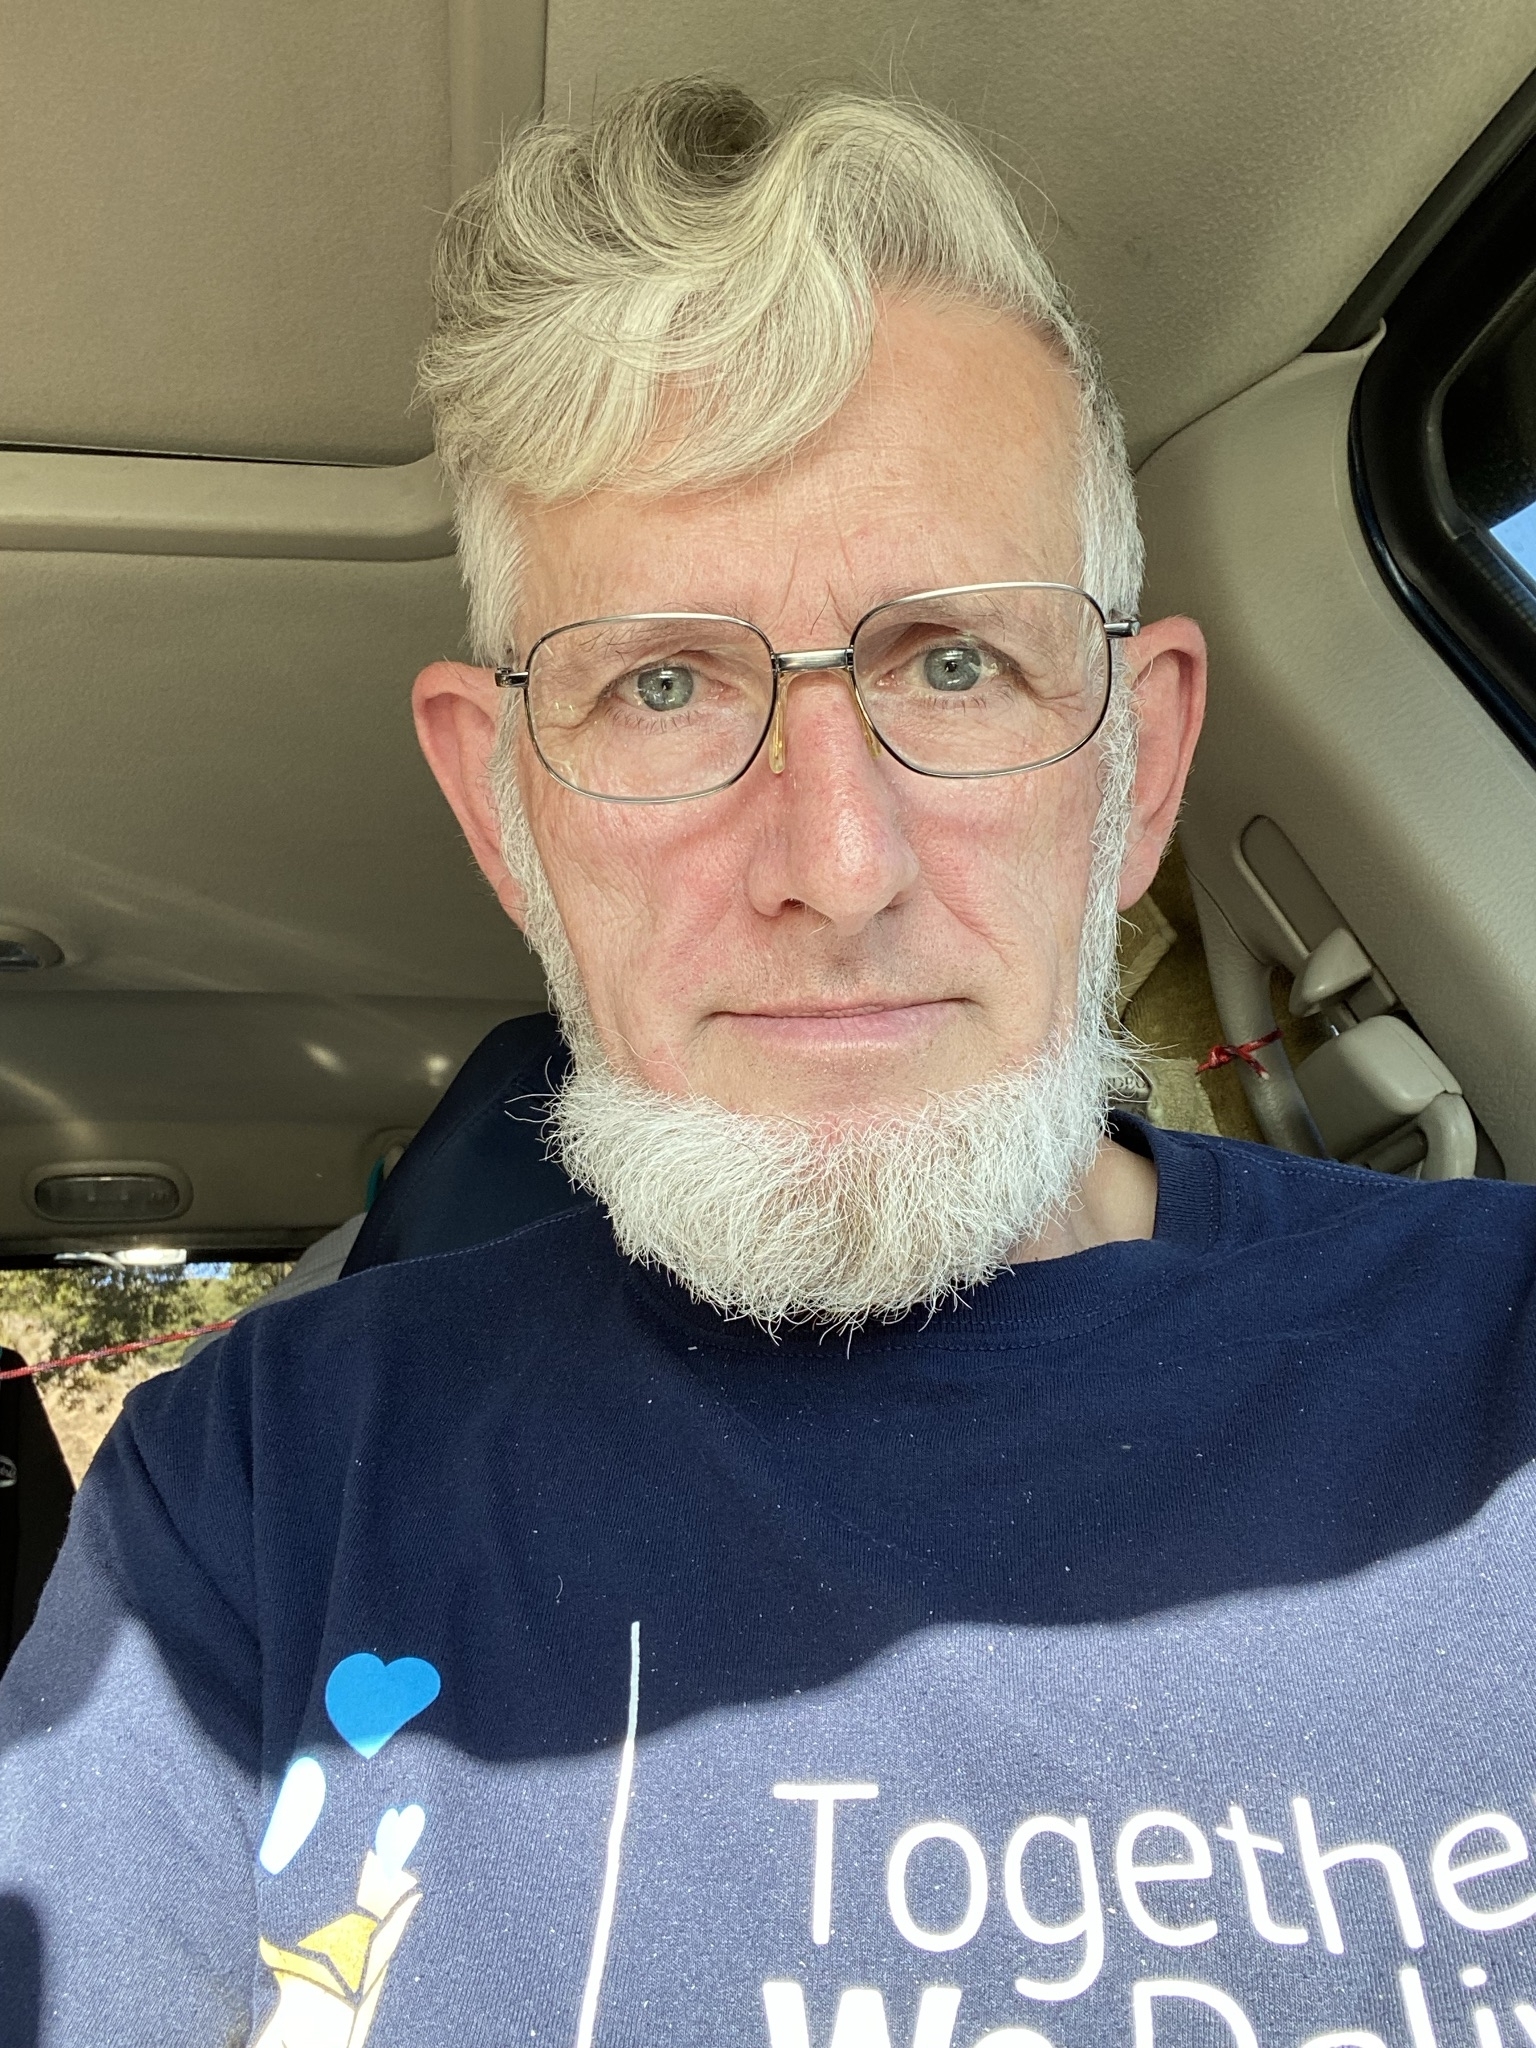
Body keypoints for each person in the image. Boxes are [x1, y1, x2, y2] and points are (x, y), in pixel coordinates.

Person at [4, 77, 1536, 2048]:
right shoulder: (255, 1481)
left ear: (1140, 765)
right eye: (662, 683)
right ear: (501, 809)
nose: (836, 862)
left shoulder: (1506, 1356)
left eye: (955, 663)